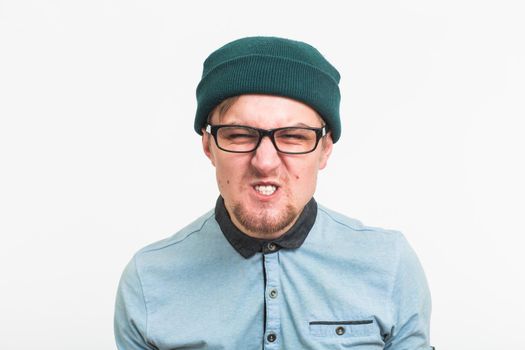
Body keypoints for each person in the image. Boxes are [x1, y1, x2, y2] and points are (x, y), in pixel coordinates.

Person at [114, 36, 433, 349]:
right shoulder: (148, 281)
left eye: (294, 136)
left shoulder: (390, 264)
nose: (265, 163)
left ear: (324, 149)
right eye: (239, 135)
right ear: (208, 145)